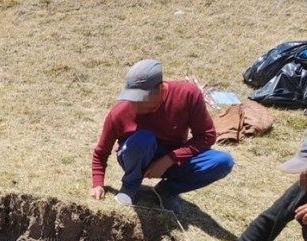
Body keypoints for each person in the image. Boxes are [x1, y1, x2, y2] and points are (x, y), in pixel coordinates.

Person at [90, 59, 234, 213]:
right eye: (132, 98)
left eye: (142, 99)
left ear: (160, 89)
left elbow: (207, 135)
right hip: (136, 156)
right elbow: (101, 152)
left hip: (173, 159)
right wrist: (98, 184)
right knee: (143, 138)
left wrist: (170, 159)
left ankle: (167, 190)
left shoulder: (187, 95)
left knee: (223, 162)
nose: (135, 106)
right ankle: (130, 186)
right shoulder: (120, 112)